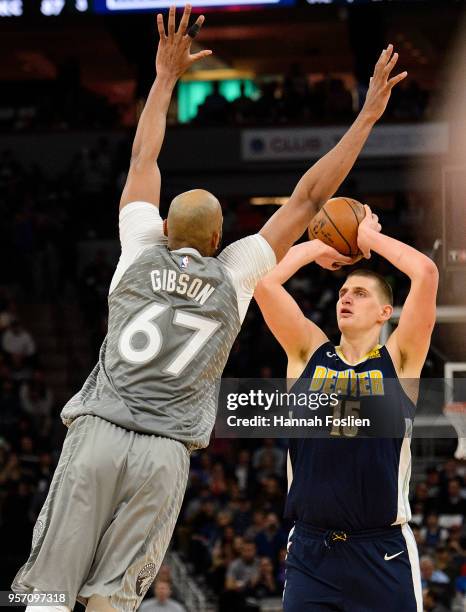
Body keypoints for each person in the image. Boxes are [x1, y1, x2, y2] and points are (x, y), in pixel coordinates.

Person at [11, 5, 404, 612]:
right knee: (114, 599)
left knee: (47, 592)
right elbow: (310, 194)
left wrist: (165, 77)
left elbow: (144, 160)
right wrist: (368, 115)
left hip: (98, 432)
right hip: (165, 453)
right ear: (223, 243)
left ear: (165, 226)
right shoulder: (236, 274)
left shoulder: (138, 251)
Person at [254, 207, 438, 610]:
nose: (346, 298)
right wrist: (316, 247)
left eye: (360, 293)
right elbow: (263, 284)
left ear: (385, 312)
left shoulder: (400, 361)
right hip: (311, 552)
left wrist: (370, 241)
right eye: (342, 292)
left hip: (382, 552)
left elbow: (424, 273)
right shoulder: (308, 352)